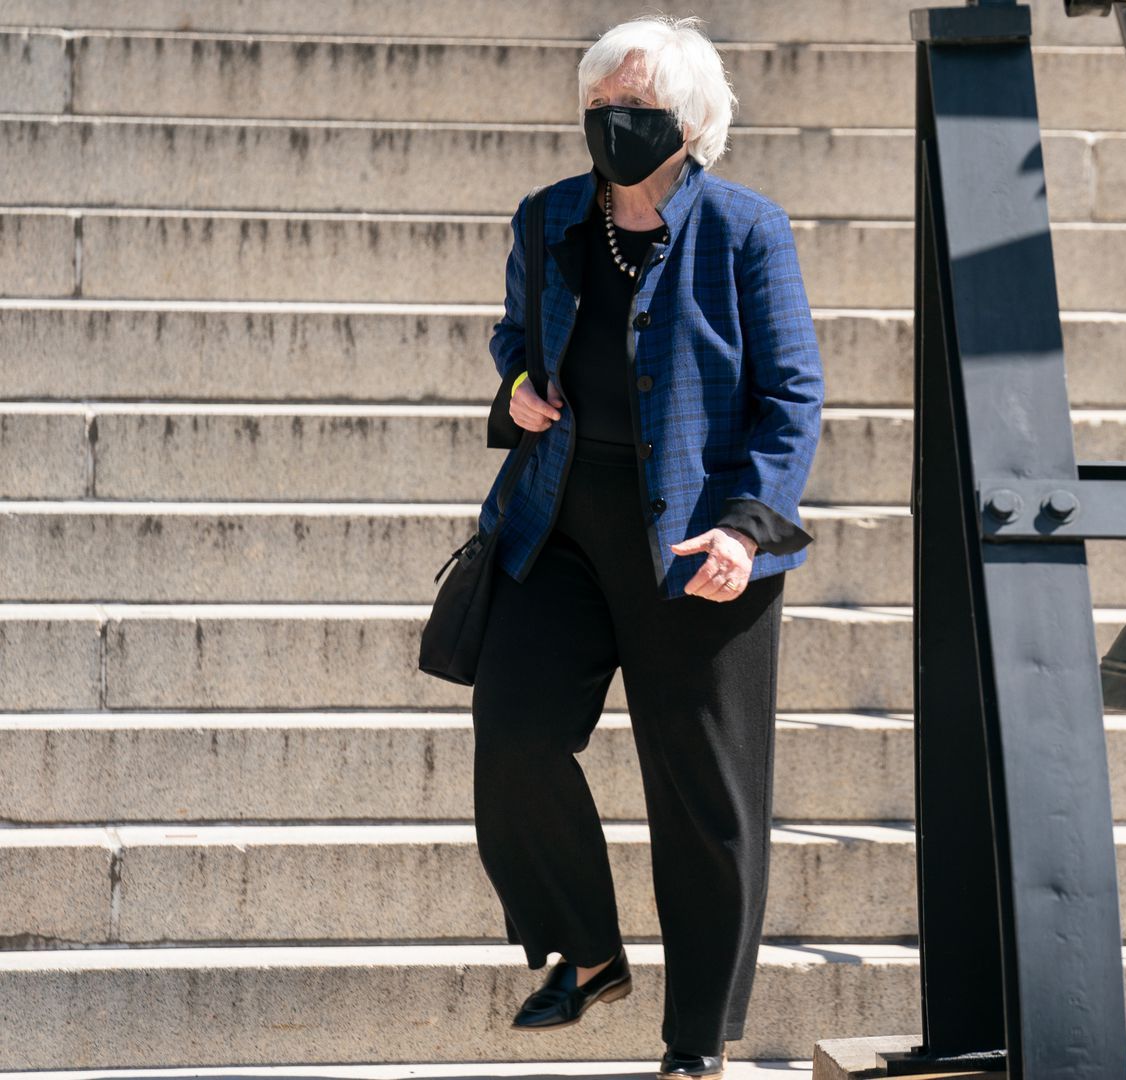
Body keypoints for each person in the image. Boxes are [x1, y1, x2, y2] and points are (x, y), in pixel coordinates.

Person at [467, 14, 823, 1078]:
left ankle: (695, 1044)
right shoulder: (549, 219)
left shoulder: (746, 231)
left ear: (691, 122)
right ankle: (586, 948)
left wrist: (752, 530)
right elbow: (515, 338)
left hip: (697, 541)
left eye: (634, 107)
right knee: (515, 739)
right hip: (561, 526)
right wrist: (522, 390)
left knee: (703, 802)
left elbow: (791, 392)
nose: (610, 123)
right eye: (597, 106)